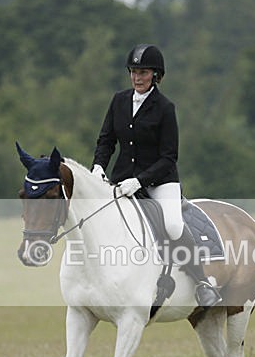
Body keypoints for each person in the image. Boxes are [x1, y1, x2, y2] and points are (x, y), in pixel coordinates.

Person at [91, 44, 222, 308]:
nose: (137, 77)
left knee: (173, 225)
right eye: (133, 71)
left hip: (161, 182)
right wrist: (98, 167)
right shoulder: (119, 100)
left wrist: (140, 181)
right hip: (122, 180)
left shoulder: (164, 108)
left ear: (156, 75)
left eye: (143, 72)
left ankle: (201, 282)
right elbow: (106, 141)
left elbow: (168, 157)